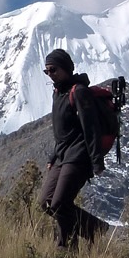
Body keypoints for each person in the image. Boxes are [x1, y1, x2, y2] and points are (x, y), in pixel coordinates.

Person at [38, 48, 107, 247]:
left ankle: (66, 245)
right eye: (47, 71)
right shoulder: (58, 94)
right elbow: (62, 133)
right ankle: (96, 230)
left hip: (79, 156)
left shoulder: (79, 92)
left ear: (66, 68)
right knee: (46, 202)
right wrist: (52, 157)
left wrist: (96, 161)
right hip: (61, 156)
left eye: (53, 70)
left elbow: (91, 127)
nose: (50, 75)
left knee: (60, 203)